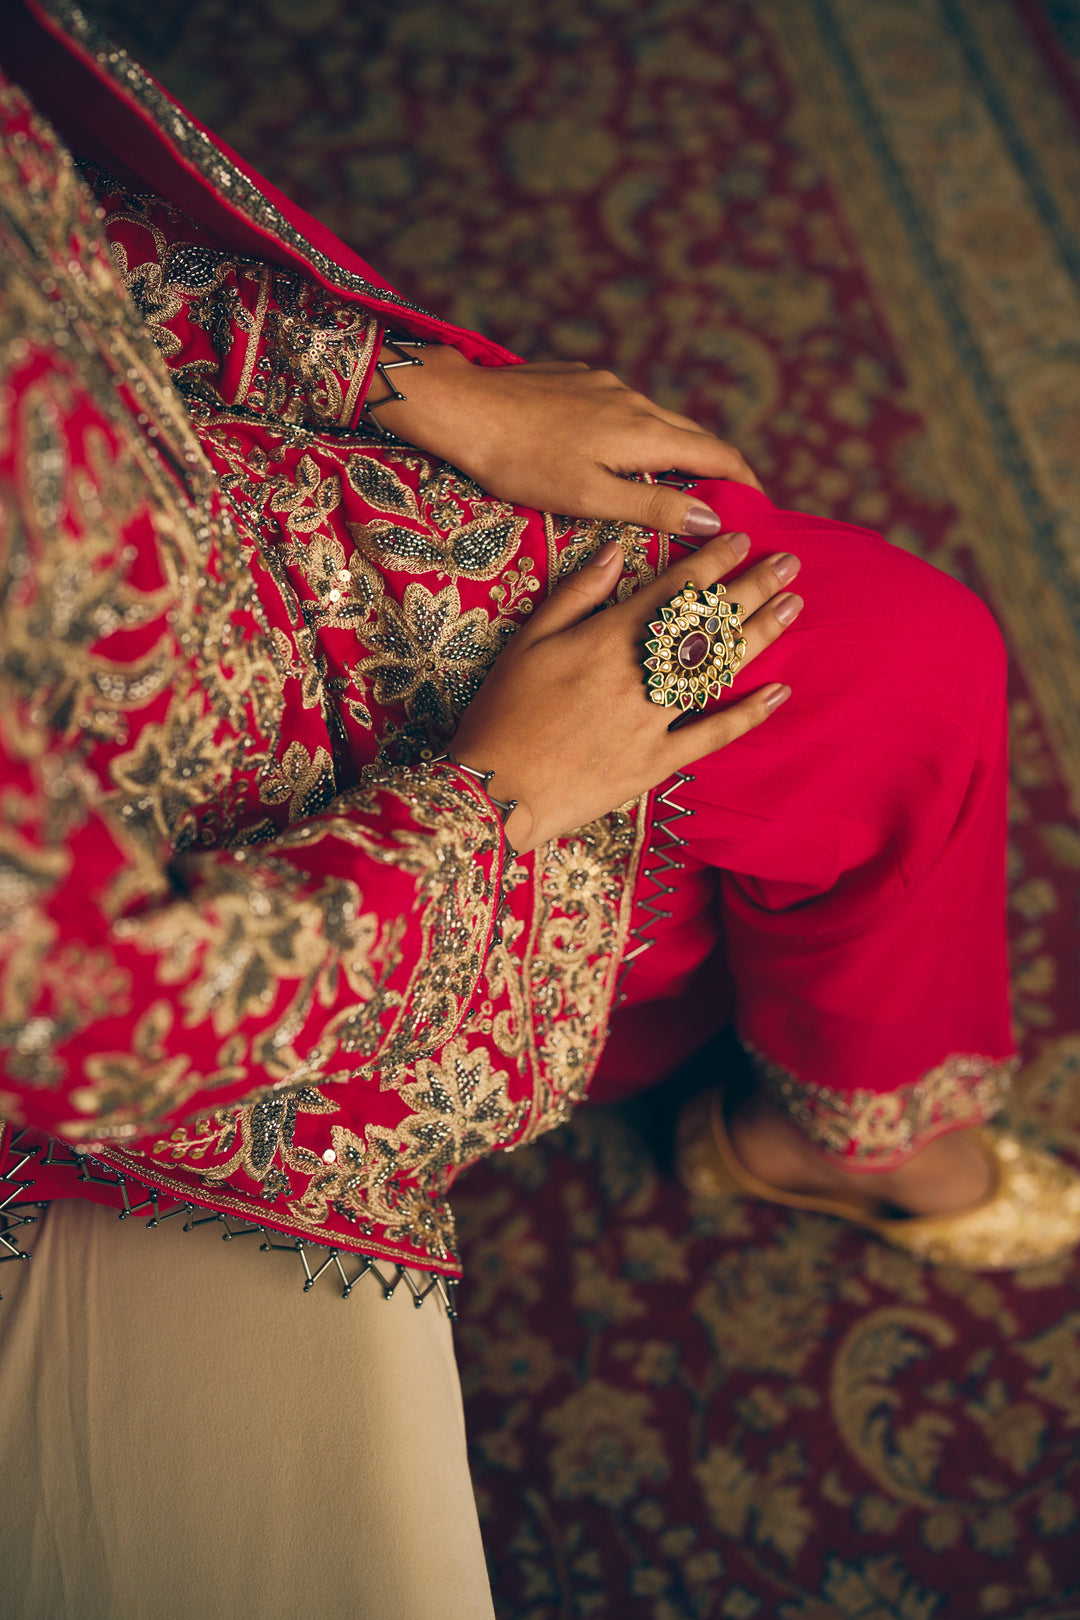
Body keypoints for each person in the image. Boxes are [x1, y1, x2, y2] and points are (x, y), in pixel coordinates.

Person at [0, 3, 1077, 1618]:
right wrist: (491, 797)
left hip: (235, 520)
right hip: (254, 847)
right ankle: (847, 1133)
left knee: (755, 569)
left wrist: (404, 386)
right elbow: (87, 1016)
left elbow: (54, 244)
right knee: (895, 675)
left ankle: (740, 1062)